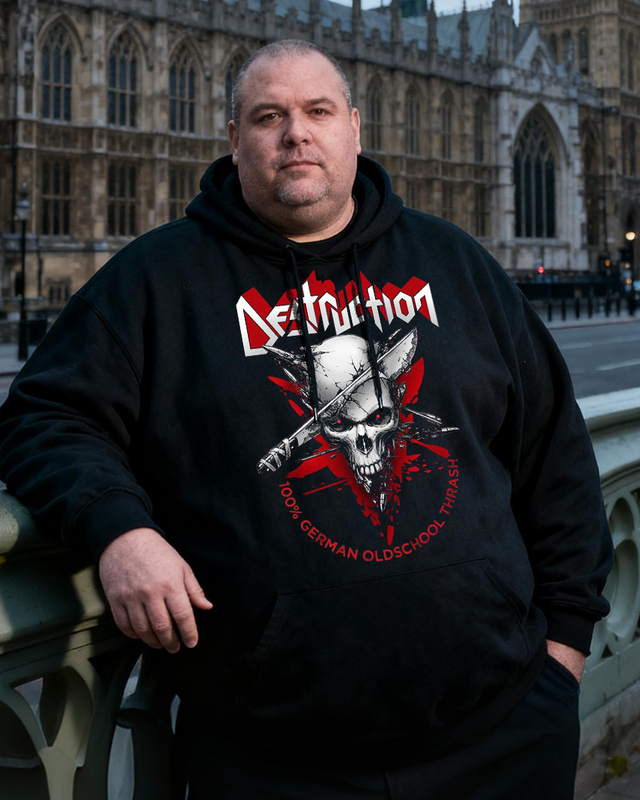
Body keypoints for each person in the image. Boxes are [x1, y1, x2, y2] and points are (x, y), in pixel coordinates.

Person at [0, 40, 612, 800]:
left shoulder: (455, 263)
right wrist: (119, 530)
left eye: (317, 111)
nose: (296, 133)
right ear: (234, 140)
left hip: (504, 734)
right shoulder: (158, 280)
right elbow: (43, 416)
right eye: (269, 117)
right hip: (272, 760)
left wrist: (564, 656)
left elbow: (557, 458)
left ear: (354, 127)